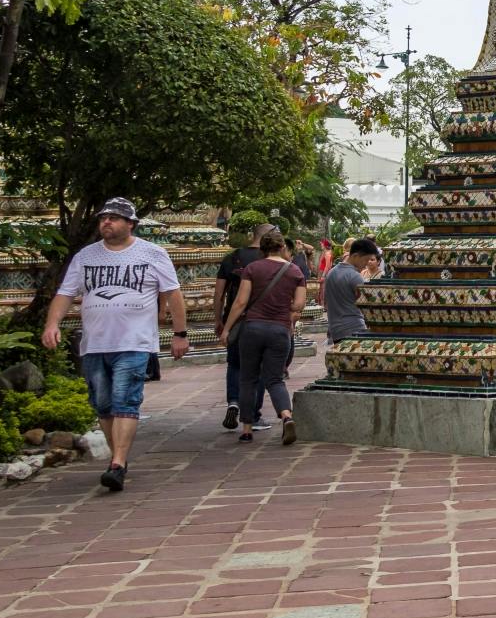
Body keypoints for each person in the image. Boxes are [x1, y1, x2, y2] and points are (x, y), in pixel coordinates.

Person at [41, 198, 188, 493]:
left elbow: (173, 294)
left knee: (125, 401)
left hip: (134, 341)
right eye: (103, 218)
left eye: (114, 218)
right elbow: (65, 293)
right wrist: (52, 324)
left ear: (130, 224)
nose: (107, 222)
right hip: (94, 343)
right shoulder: (86, 256)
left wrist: (180, 333)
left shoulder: (152, 253)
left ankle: (117, 464)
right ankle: (117, 459)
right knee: (103, 405)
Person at [218, 229, 307, 445]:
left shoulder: (252, 268)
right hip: (280, 330)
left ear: (262, 249)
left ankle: (247, 429)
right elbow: (299, 305)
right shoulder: (295, 272)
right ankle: (286, 416)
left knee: (248, 378)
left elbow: (240, 302)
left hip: (253, 329)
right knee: (275, 379)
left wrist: (227, 328)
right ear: (282, 247)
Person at [214, 223, 278, 431]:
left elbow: (219, 293)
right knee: (256, 369)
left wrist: (219, 320)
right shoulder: (270, 261)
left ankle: (233, 401)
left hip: (235, 320)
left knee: (234, 364)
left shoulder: (232, 257)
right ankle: (253, 414)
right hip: (262, 320)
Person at [320, 237, 380, 344]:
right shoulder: (355, 276)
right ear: (356, 256)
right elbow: (367, 304)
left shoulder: (331, 273)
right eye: (366, 260)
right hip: (354, 329)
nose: (366, 264)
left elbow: (326, 302)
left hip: (336, 330)